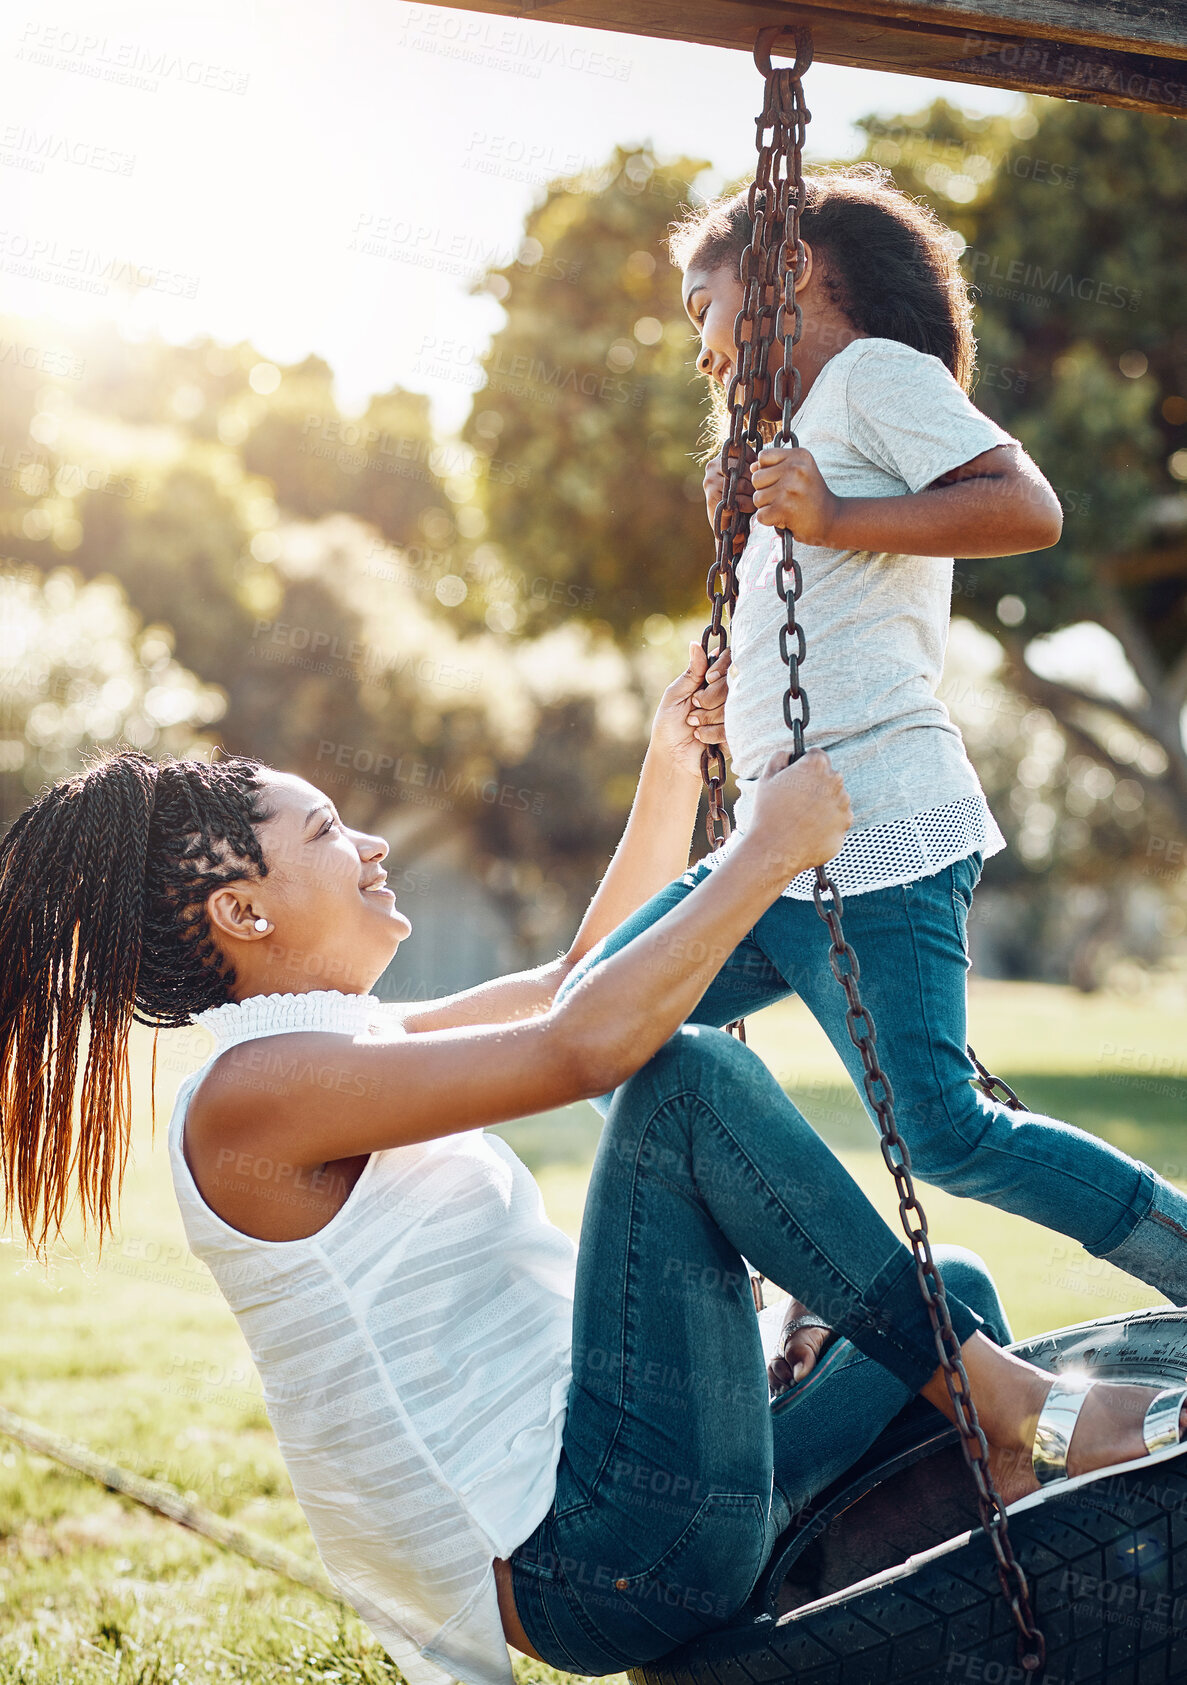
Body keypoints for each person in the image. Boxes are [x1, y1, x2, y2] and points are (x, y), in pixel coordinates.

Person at [1, 652, 1184, 1685]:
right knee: (685, 1086)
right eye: (325, 832)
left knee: (950, 1295)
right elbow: (585, 1045)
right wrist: (764, 851)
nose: (369, 845)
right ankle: (1023, 1413)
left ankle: (872, 1547)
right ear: (243, 911)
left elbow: (575, 982)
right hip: (599, 1555)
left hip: (646, 1504)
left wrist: (674, 760)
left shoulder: (333, 1046)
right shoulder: (250, 1099)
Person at [555, 164, 1187, 1327]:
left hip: (880, 822)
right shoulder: (802, 435)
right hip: (777, 842)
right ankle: (801, 1288)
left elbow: (1024, 505)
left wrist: (830, 515)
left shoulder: (868, 377)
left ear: (788, 270)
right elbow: (827, 619)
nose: (698, 351)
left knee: (941, 1129)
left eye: (705, 309)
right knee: (597, 1023)